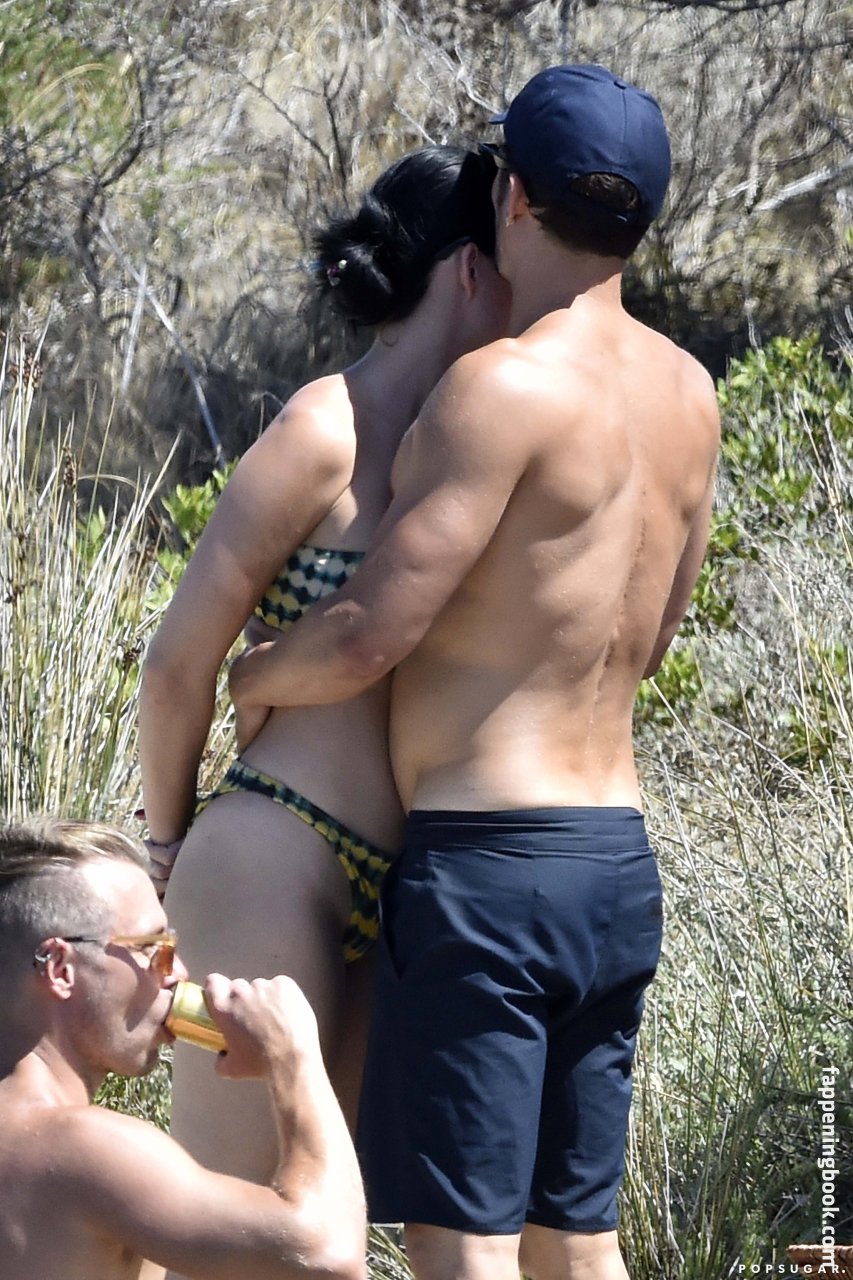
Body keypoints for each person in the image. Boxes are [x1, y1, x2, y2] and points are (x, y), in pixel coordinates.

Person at [227, 63, 722, 1280]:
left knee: (464, 1246)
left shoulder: (499, 385)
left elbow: (368, 632)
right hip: (616, 864)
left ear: (511, 197)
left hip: (489, 869)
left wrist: (258, 672)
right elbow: (654, 636)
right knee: (577, 1240)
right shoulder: (691, 393)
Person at [138, 143, 510, 1181]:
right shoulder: (323, 429)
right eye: (512, 264)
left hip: (401, 883)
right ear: (468, 269)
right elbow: (175, 663)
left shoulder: (488, 439)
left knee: (324, 1223)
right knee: (237, 1220)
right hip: (272, 853)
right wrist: (166, 848)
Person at [0, 817, 365, 1280]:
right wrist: (293, 1058)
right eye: (154, 948)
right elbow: (330, 1254)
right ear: (59, 968)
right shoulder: (83, 1148)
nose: (178, 972)